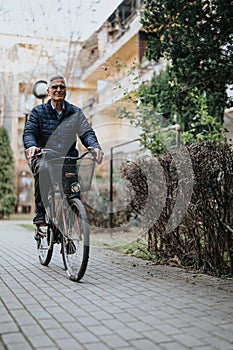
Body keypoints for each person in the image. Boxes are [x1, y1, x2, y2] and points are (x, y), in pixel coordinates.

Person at [23, 74, 103, 225]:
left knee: (73, 192)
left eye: (62, 87)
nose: (58, 90)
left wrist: (95, 146)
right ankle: (40, 212)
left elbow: (86, 132)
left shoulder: (75, 112)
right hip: (44, 157)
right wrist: (32, 146)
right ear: (48, 91)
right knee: (43, 169)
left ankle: (69, 233)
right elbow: (29, 132)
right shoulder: (38, 112)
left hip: (67, 159)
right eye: (55, 87)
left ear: (65, 91)